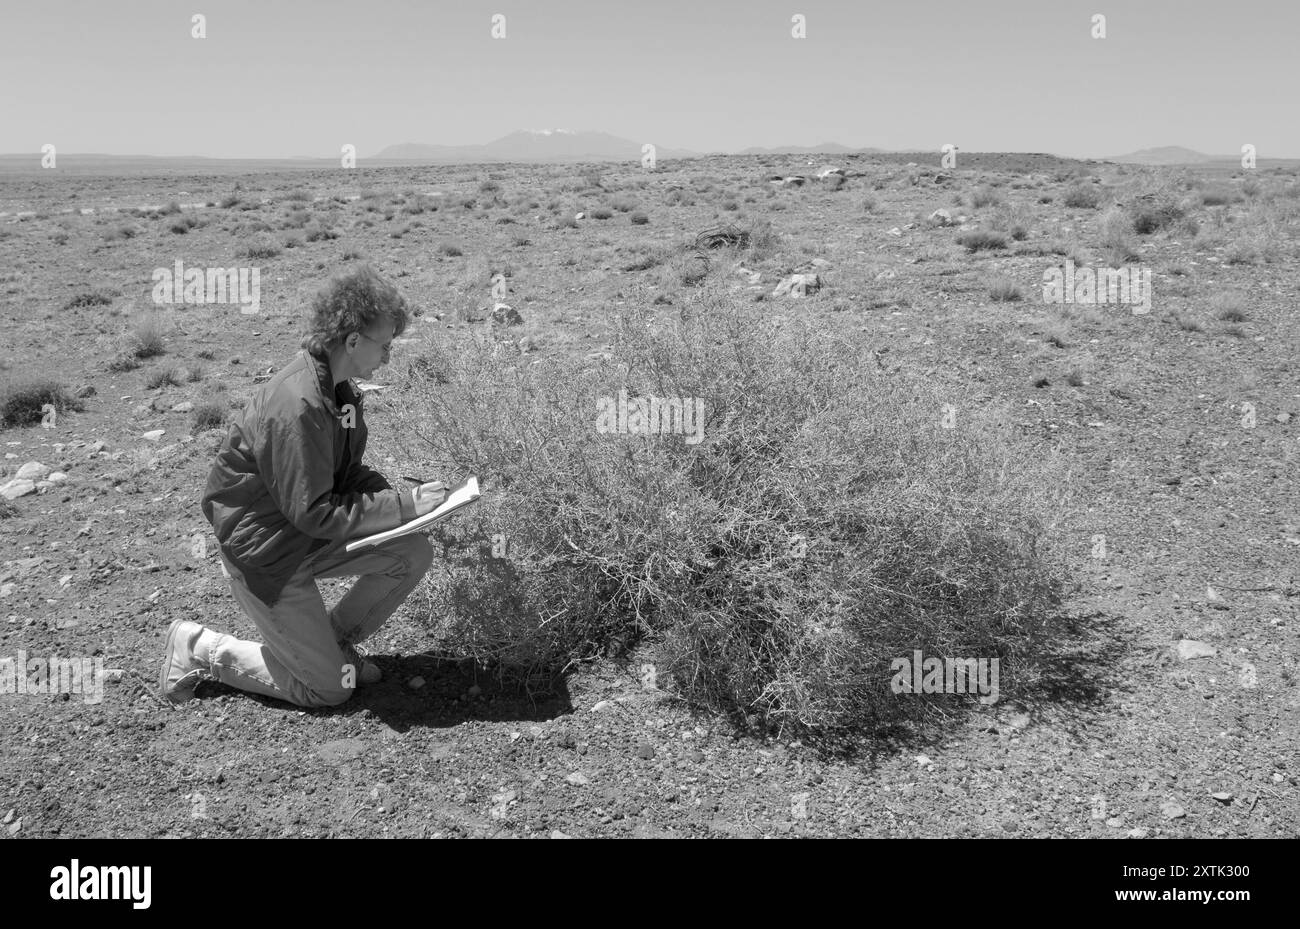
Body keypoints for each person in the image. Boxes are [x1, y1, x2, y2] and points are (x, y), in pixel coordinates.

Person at [159, 265, 446, 707]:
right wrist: (402, 506)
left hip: (301, 538)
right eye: (385, 345)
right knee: (330, 690)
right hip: (267, 553)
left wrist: (405, 505)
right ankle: (201, 649)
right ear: (353, 341)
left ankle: (331, 648)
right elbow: (314, 511)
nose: (388, 356)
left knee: (411, 551)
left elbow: (346, 475)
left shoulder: (339, 390)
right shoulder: (298, 404)